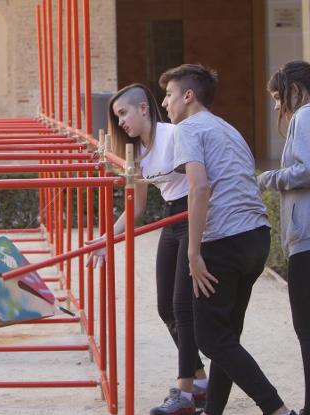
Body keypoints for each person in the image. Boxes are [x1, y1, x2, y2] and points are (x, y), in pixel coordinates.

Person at [160, 63, 295, 415]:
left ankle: (277, 410)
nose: (164, 103)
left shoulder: (188, 128)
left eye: (169, 95)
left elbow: (199, 187)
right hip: (256, 237)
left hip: (224, 239)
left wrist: (192, 253)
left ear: (188, 96)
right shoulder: (226, 128)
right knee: (225, 337)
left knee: (208, 338)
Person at [86, 84, 207, 415]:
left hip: (192, 215)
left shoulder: (174, 135)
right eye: (117, 116)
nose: (121, 121)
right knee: (165, 308)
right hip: (171, 217)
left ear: (143, 109)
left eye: (123, 113)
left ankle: (184, 392)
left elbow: (201, 182)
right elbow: (136, 208)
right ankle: (201, 380)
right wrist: (104, 240)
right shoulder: (135, 153)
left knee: (182, 305)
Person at [258, 60, 310, 415]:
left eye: (278, 97)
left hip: (307, 241)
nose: (277, 107)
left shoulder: (304, 116)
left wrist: (268, 179)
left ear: (294, 90)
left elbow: (307, 169)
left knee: (305, 327)